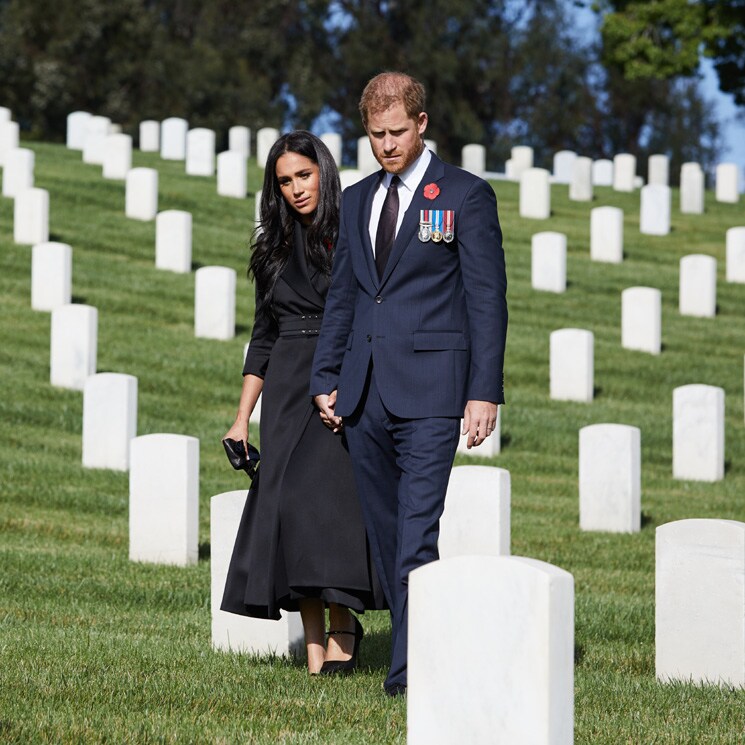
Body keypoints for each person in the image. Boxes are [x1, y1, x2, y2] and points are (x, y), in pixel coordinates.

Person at [311, 73, 507, 696]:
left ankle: (409, 678)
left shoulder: (467, 196)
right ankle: (430, 650)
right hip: (363, 393)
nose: (388, 145)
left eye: (398, 132)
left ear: (422, 124)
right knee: (389, 536)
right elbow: (344, 295)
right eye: (376, 135)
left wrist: (485, 391)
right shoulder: (361, 197)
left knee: (417, 533)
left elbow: (486, 298)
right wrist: (326, 376)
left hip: (433, 393)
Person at [221, 131, 385, 676]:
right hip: (287, 385)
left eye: (304, 175)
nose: (295, 188)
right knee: (289, 509)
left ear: (324, 172)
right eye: (284, 180)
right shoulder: (272, 247)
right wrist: (242, 417)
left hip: (336, 373)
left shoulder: (351, 233)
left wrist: (348, 379)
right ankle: (315, 650)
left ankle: (344, 623)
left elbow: (367, 311)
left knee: (327, 507)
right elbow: (262, 337)